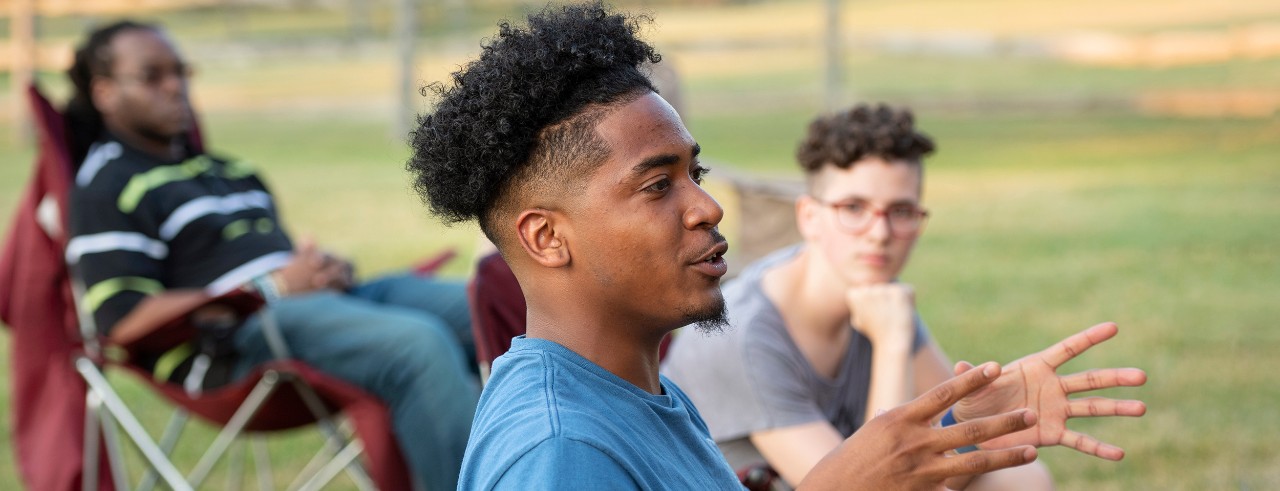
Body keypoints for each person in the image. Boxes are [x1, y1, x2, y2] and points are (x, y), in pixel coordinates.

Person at [408, 3, 1146, 490]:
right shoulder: (562, 448)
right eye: (657, 185)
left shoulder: (644, 396)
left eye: (693, 172)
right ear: (546, 236)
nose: (708, 204)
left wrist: (959, 412)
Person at [64, 20, 478, 490]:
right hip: (234, 342)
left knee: (487, 309)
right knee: (417, 346)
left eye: (180, 71)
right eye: (152, 76)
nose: (175, 85)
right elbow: (121, 321)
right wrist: (272, 288)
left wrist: (324, 271)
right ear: (104, 92)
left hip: (319, 305)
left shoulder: (233, 171)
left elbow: (276, 261)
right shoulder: (107, 185)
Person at [662, 104, 1128, 489]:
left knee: (1021, 478)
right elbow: (879, 483)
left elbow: (945, 438)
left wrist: (978, 412)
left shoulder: (874, 294)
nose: (880, 234)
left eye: (901, 211)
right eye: (854, 208)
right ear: (809, 216)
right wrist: (890, 343)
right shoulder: (742, 338)